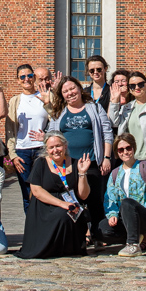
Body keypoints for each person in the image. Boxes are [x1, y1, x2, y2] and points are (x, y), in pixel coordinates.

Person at [47, 75, 114, 244]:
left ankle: (98, 236)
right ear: (62, 95)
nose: (70, 93)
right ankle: (77, 236)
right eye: (65, 91)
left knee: (94, 199)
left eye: (72, 88)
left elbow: (107, 133)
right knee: (72, 199)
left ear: (79, 88)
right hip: (68, 164)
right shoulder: (59, 112)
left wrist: (106, 157)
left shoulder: (94, 108)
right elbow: (53, 135)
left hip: (90, 161)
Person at [17, 133, 92, 259]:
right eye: (51, 147)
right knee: (63, 214)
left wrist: (82, 173)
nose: (55, 150)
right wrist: (62, 204)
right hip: (45, 206)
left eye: (58, 146)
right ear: (47, 150)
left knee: (73, 214)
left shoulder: (74, 163)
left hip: (71, 205)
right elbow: (36, 191)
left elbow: (83, 195)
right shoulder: (40, 163)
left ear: (65, 146)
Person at [99, 134, 146, 257]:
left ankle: (133, 245)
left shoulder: (145, 166)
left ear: (133, 148)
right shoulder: (115, 173)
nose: (125, 152)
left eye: (128, 148)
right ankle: (135, 237)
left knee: (127, 203)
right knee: (102, 229)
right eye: (121, 150)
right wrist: (112, 215)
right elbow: (110, 198)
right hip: (125, 219)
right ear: (117, 152)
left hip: (145, 216)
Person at [6, 64, 51, 212]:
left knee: (44, 189)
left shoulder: (44, 96)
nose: (27, 79)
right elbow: (10, 131)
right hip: (22, 151)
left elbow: (55, 120)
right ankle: (32, 230)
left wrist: (48, 103)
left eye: (29, 76)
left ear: (34, 78)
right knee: (27, 193)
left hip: (41, 150)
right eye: (22, 77)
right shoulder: (15, 101)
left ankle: (44, 227)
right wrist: (13, 155)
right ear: (18, 80)